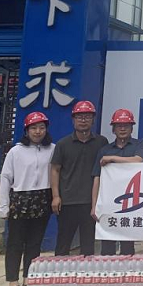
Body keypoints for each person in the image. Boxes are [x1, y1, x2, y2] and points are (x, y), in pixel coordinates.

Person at [0, 111, 54, 286]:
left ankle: (28, 279)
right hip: (21, 199)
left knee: (34, 243)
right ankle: (12, 283)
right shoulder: (16, 152)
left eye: (41, 128)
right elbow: (6, 178)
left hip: (42, 198)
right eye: (34, 128)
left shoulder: (52, 149)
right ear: (26, 130)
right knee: (15, 243)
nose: (38, 132)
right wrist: (4, 206)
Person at [50, 100, 108, 257]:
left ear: (93, 120)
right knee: (63, 243)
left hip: (90, 202)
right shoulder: (63, 144)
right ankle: (60, 271)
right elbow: (55, 170)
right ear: (73, 119)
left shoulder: (101, 142)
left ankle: (86, 272)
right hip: (67, 201)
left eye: (87, 117)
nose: (83, 120)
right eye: (79, 117)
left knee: (88, 245)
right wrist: (56, 196)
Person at [90, 109, 143, 256]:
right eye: (119, 126)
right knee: (107, 247)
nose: (122, 129)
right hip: (109, 201)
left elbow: (139, 160)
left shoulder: (140, 144)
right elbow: (97, 177)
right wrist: (94, 206)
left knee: (127, 247)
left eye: (126, 126)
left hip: (131, 202)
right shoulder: (104, 150)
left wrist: (112, 158)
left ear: (132, 128)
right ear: (113, 129)